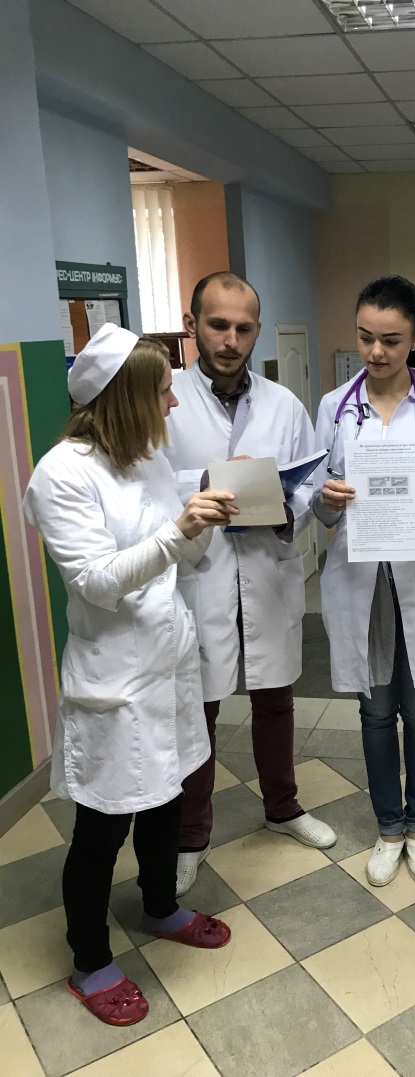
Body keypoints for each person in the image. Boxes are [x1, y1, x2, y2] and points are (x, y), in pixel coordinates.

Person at [23, 325, 236, 1026]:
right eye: (164, 390)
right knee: (101, 828)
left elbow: (174, 556)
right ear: (127, 398)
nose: (174, 402)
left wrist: (201, 519)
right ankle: (89, 960)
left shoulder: (146, 456)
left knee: (167, 798)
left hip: (167, 666)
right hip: (114, 679)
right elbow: (95, 580)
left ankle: (159, 906)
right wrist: (179, 530)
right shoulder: (61, 474)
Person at [164, 271, 336, 895]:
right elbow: (147, 485)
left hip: (265, 567)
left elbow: (312, 481)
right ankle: (191, 834)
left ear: (258, 330)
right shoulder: (167, 400)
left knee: (275, 697)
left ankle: (282, 807)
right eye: (217, 325)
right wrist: (198, 490)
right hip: (201, 571)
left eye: (243, 327)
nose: (230, 340)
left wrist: (289, 504)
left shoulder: (284, 404)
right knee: (199, 706)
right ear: (192, 326)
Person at [313, 275, 415, 886]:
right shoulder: (333, 408)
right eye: (365, 337)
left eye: (392, 340)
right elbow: (320, 508)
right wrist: (326, 499)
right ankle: (388, 829)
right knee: (376, 711)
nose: (375, 352)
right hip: (361, 576)